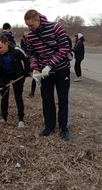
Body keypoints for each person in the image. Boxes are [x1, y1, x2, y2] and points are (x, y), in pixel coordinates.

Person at [24, 9, 71, 141]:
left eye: (31, 25)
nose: (29, 28)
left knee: (63, 100)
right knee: (47, 100)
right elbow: (32, 54)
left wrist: (50, 65)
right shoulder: (31, 36)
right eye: (27, 25)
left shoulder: (55, 27)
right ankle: (49, 126)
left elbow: (64, 48)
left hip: (61, 70)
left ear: (38, 20)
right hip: (45, 74)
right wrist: (35, 68)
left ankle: (64, 128)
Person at [0, 34, 30, 128]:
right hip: (3, 75)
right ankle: (4, 117)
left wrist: (26, 71)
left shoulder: (16, 50)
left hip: (16, 74)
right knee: (4, 96)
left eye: (0, 47)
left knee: (18, 96)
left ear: (6, 44)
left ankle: (21, 119)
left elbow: (27, 58)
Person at [20, 31, 36, 98]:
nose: (26, 34)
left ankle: (32, 92)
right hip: (27, 57)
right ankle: (21, 86)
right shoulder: (23, 40)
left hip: (36, 60)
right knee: (28, 74)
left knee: (35, 77)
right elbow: (23, 48)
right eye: (25, 33)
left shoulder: (34, 40)